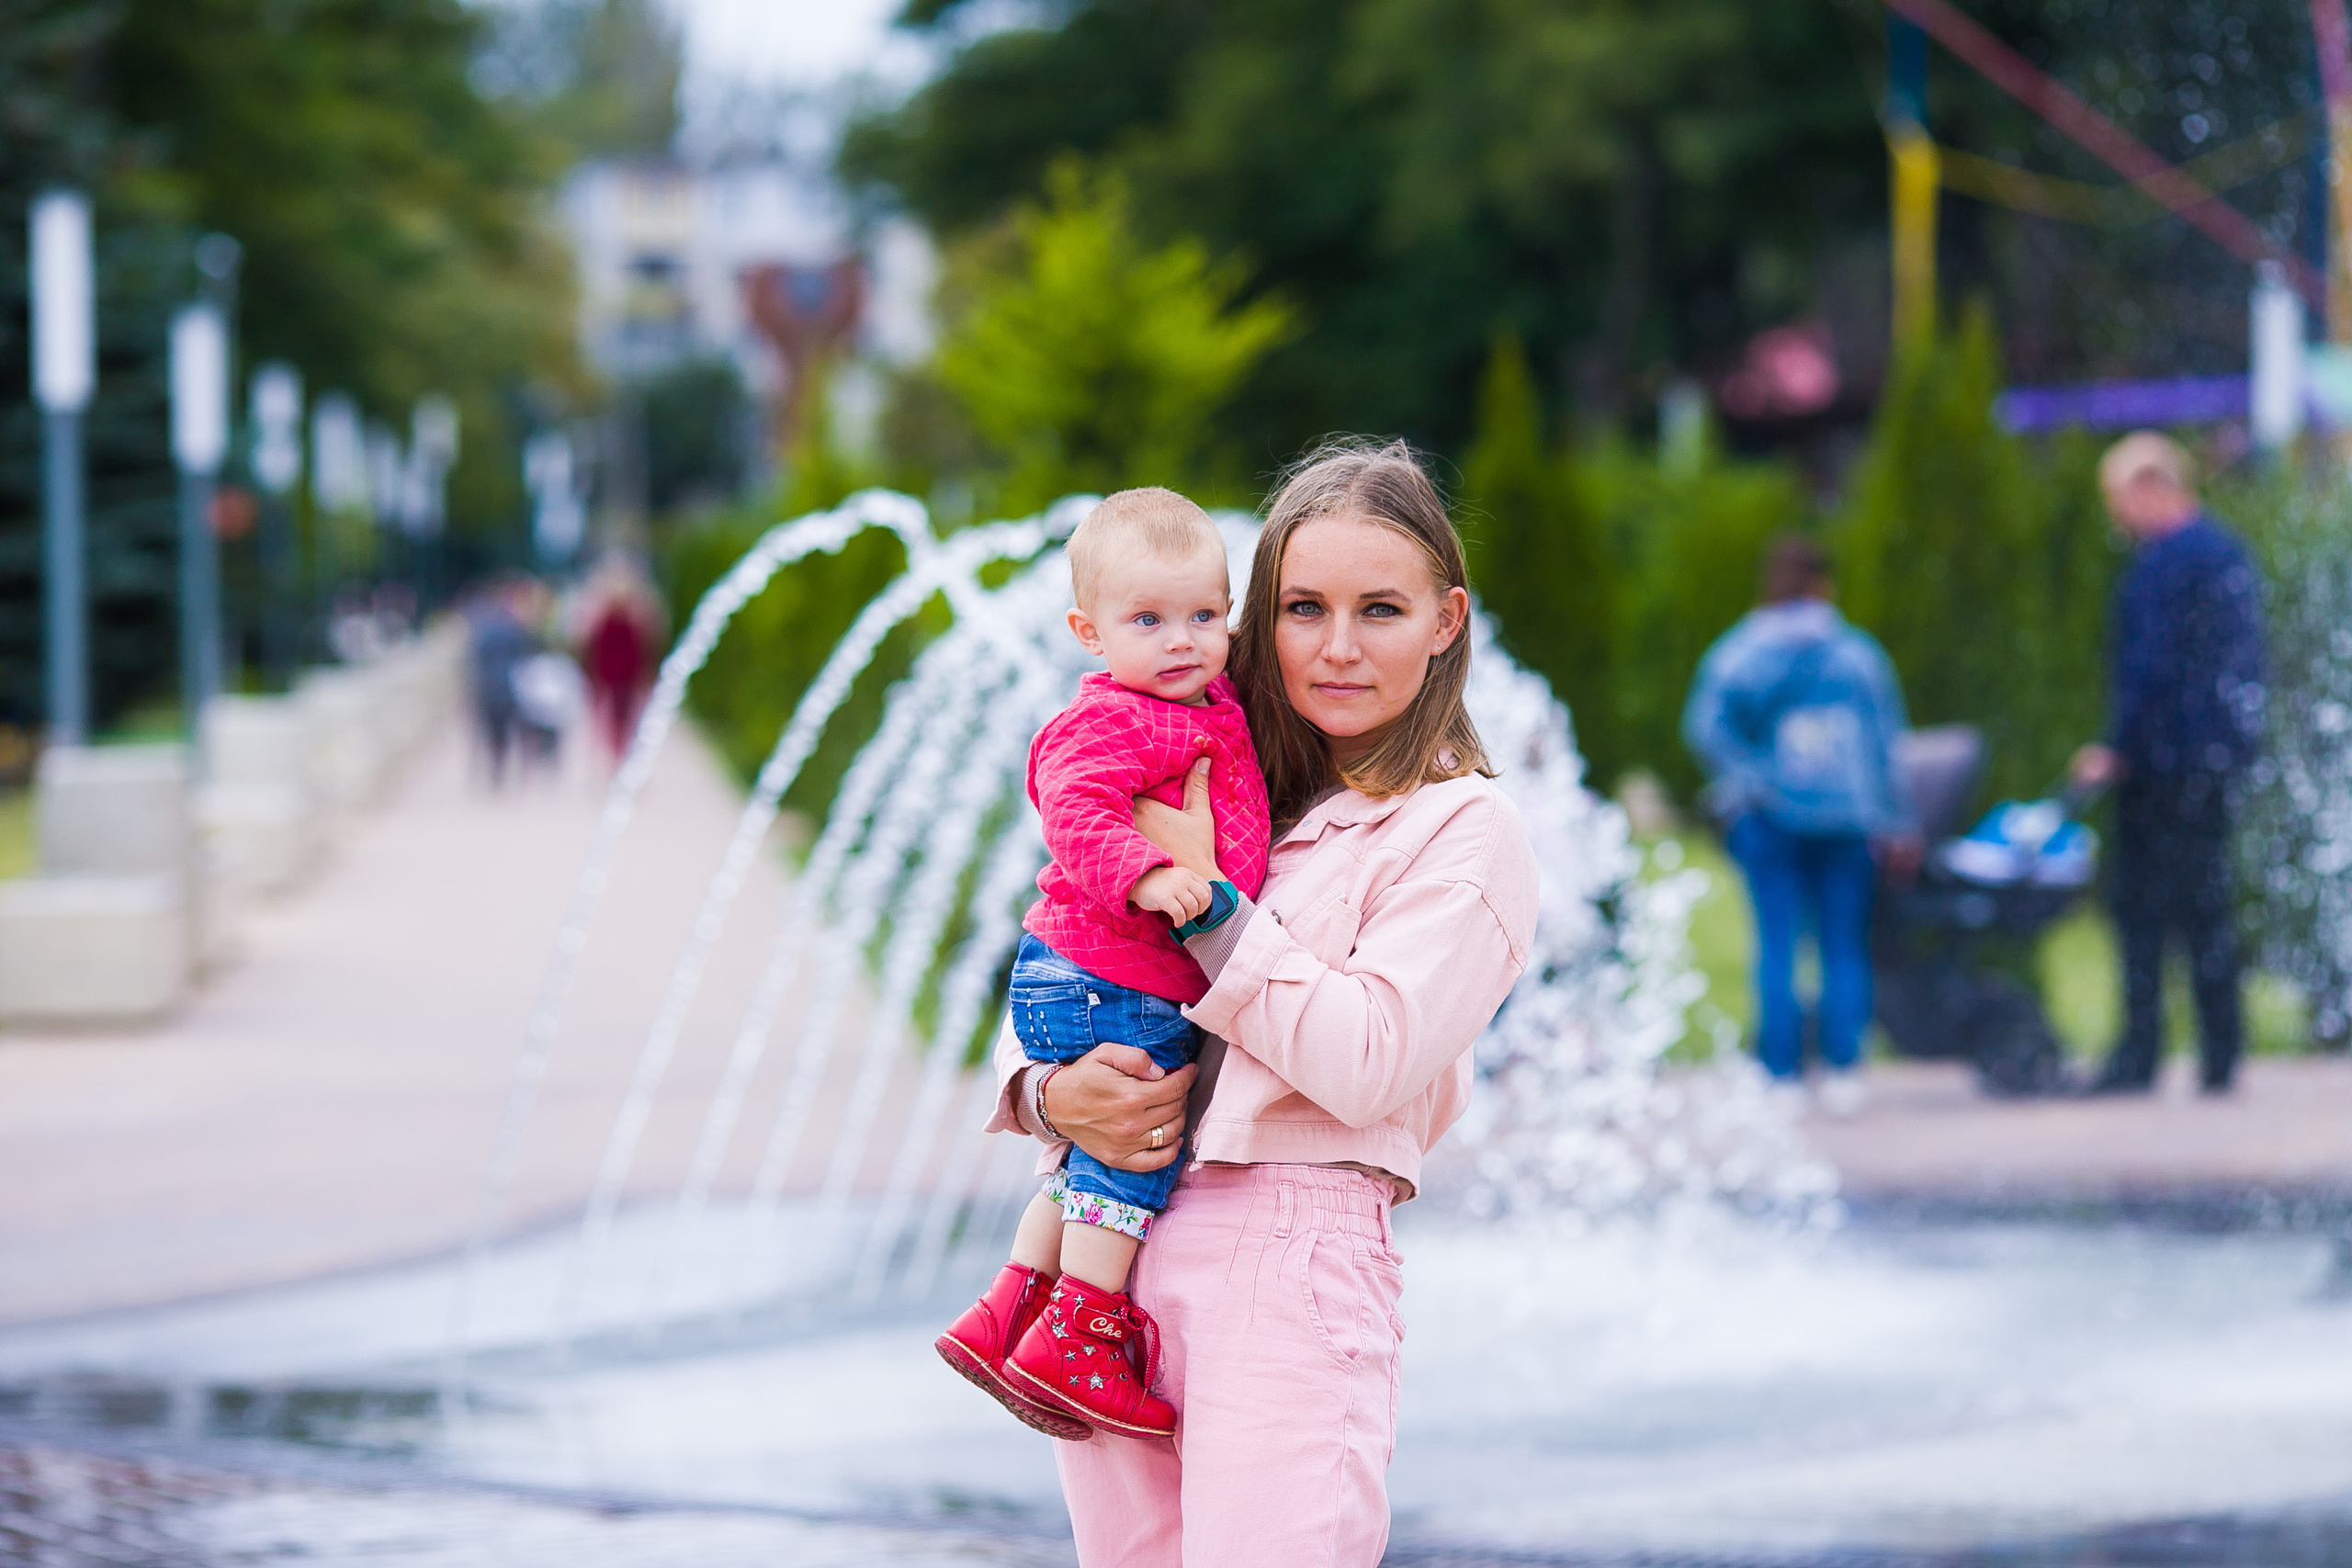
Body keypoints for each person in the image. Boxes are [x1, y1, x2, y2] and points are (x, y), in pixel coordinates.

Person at [961, 440, 1536, 1568]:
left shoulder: (1460, 832)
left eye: (1378, 609)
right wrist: (1046, 1096)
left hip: (1288, 1251)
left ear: (1445, 619)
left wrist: (1211, 907)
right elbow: (1068, 953)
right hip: (1110, 1255)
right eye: (1302, 607)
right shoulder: (1208, 771)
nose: (1335, 646)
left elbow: (1367, 1060)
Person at [937, 488, 1272, 1442]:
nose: (1182, 640)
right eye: (1149, 620)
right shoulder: (1111, 719)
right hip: (1108, 976)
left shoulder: (1202, 702)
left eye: (1205, 616)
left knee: (1085, 1161)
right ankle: (1082, 1333)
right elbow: (1073, 812)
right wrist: (1152, 873)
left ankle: (1008, 1309)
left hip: (1085, 974)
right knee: (1132, 1155)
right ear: (1089, 632)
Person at [1681, 536, 1915, 1113]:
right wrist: (1900, 819)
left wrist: (1754, 779)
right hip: (1847, 818)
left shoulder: (1739, 653)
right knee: (1842, 945)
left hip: (1770, 819)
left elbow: (1704, 728)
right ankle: (1843, 1072)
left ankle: (1781, 1072)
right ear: (1824, 585)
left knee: (1777, 943)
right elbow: (1888, 743)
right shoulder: (1857, 655)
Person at [2069, 432, 2266, 1096]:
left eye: (2118, 498)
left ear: (2152, 486)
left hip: (2158, 767)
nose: (2116, 515)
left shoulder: (2162, 564)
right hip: (2212, 761)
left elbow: (2147, 669)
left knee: (2141, 913)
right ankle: (2220, 1053)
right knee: (2208, 907)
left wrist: (2115, 748)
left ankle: (2139, 1054)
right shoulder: (2225, 552)